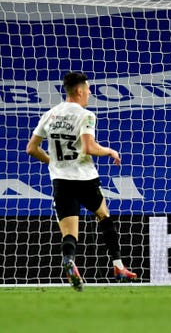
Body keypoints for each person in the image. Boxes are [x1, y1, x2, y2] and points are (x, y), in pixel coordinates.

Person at [26, 72, 137, 291]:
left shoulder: (50, 114)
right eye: (87, 88)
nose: (90, 92)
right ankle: (118, 266)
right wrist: (110, 151)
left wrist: (53, 163)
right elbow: (89, 148)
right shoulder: (86, 115)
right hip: (84, 178)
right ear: (78, 91)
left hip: (61, 181)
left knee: (69, 233)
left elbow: (31, 148)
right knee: (103, 215)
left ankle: (69, 260)